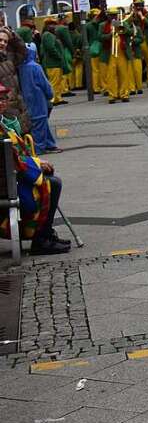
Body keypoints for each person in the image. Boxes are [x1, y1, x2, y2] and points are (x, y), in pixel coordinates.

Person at [0, 84, 70, 254]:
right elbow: (12, 159)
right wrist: (36, 165)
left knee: (51, 180)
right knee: (52, 183)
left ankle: (45, 234)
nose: (3, 103)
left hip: (9, 176)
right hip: (6, 183)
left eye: (4, 98)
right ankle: (41, 238)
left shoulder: (4, 123)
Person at [18, 44, 58, 153]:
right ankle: (38, 149)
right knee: (40, 124)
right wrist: (50, 95)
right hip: (38, 101)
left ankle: (50, 144)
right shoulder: (35, 67)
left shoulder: (20, 67)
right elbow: (45, 84)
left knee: (40, 124)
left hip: (26, 102)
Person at [0, 27, 31, 135]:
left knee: (20, 137)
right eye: (0, 40)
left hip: (17, 104)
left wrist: (13, 36)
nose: (3, 43)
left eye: (5, 41)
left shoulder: (7, 58)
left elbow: (22, 52)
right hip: (4, 106)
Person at [39, 19, 69, 106]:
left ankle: (57, 98)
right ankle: (53, 99)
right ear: (48, 26)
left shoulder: (49, 35)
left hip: (55, 63)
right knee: (54, 82)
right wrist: (59, 56)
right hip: (52, 63)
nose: (55, 27)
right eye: (52, 25)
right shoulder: (48, 35)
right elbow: (51, 48)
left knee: (57, 81)